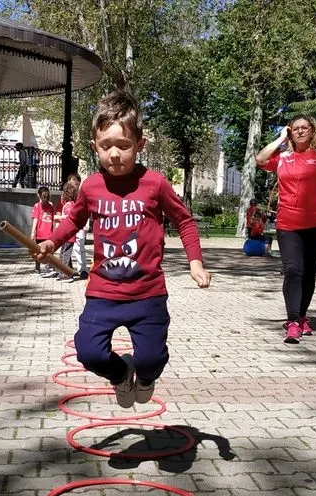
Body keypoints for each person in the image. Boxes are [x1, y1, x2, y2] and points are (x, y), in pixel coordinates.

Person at [35, 89, 211, 409]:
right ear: (94, 147)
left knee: (152, 359)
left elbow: (185, 222)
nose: (114, 154)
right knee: (88, 351)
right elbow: (73, 221)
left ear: (139, 145)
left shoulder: (155, 184)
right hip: (104, 291)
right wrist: (51, 242)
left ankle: (144, 375)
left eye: (123, 145)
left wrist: (195, 263)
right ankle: (120, 374)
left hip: (148, 292)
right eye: (106, 146)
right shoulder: (90, 187)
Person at [256, 114, 316, 344]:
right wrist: (280, 139)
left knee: (308, 273)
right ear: (290, 132)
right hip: (288, 225)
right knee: (293, 270)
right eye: (295, 129)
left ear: (312, 131)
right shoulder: (283, 157)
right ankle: (293, 321)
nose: (300, 131)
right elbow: (260, 159)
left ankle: (303, 315)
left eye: (305, 128)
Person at [54, 176, 81, 281]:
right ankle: (67, 271)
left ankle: (65, 274)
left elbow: (69, 218)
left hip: (68, 234)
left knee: (65, 253)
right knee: (65, 253)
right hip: (67, 233)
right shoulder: (69, 204)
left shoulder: (69, 205)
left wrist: (58, 218)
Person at [30, 186, 56, 277]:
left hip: (40, 234)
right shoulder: (51, 205)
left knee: (38, 251)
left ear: (38, 195)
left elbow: (35, 219)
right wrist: (54, 230)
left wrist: (32, 232)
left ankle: (37, 269)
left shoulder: (37, 206)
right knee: (49, 251)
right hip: (49, 233)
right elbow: (53, 220)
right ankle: (51, 268)